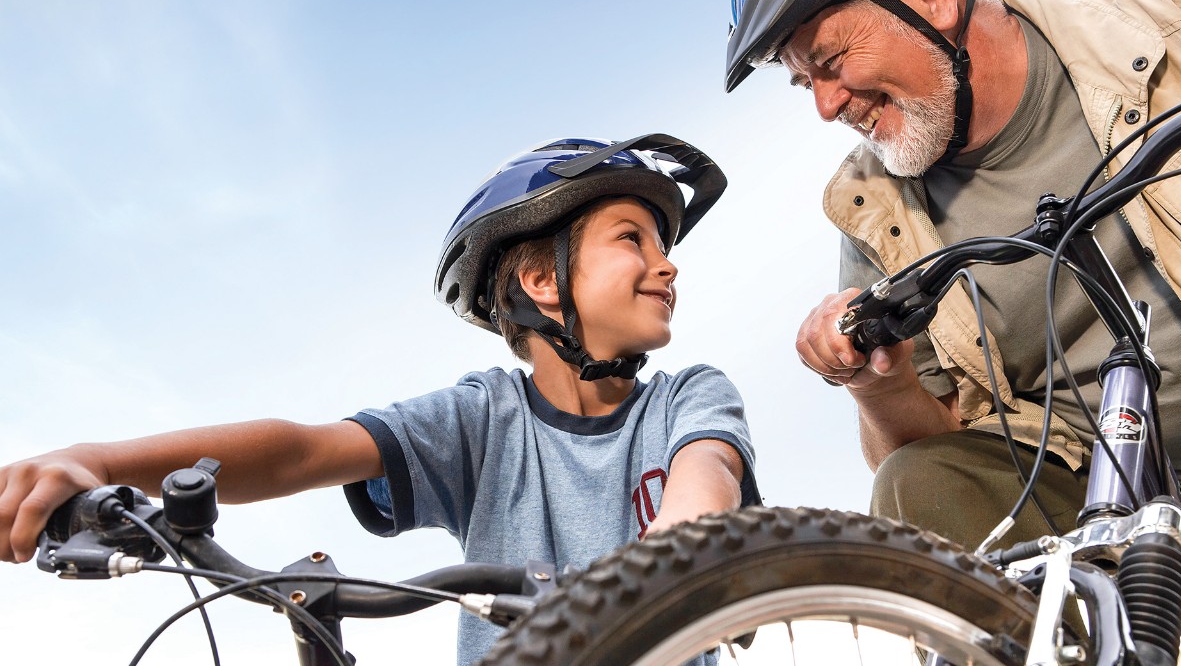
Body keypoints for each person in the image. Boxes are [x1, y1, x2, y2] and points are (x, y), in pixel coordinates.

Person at [0, 133, 761, 665]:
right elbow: (302, 449)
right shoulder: (484, 420)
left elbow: (705, 488)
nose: (667, 268)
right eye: (634, 238)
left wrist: (669, 554)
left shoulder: (687, 398)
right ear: (540, 282)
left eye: (665, 248)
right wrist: (96, 461)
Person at [724, 0, 1181, 582]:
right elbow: (918, 459)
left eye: (831, 61)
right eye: (804, 83)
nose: (825, 106)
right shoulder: (877, 213)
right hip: (1154, 515)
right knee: (921, 480)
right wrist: (881, 385)